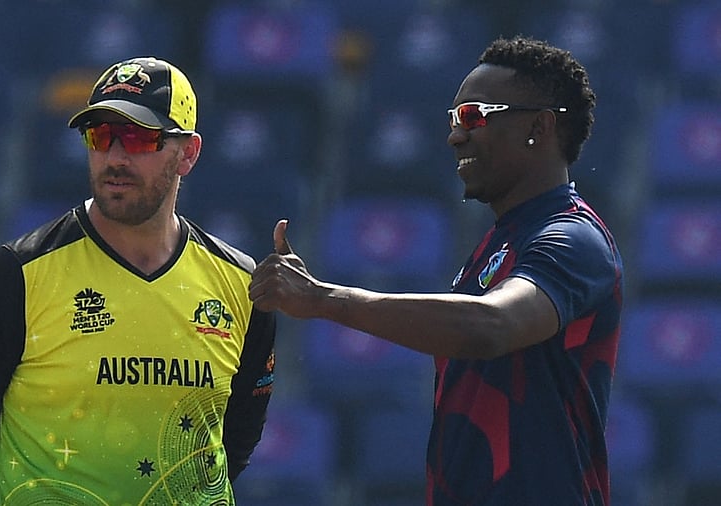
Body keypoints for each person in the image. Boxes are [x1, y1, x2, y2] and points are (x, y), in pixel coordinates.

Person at [249, 36, 623, 506]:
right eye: (453, 119)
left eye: (473, 116)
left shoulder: (574, 239)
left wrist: (323, 299)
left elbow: (492, 325)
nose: (454, 135)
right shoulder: (496, 244)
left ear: (539, 127)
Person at [0, 57, 277, 505]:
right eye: (100, 137)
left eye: (138, 138)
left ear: (188, 152)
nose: (115, 157)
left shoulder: (239, 283)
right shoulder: (19, 274)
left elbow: (240, 430)